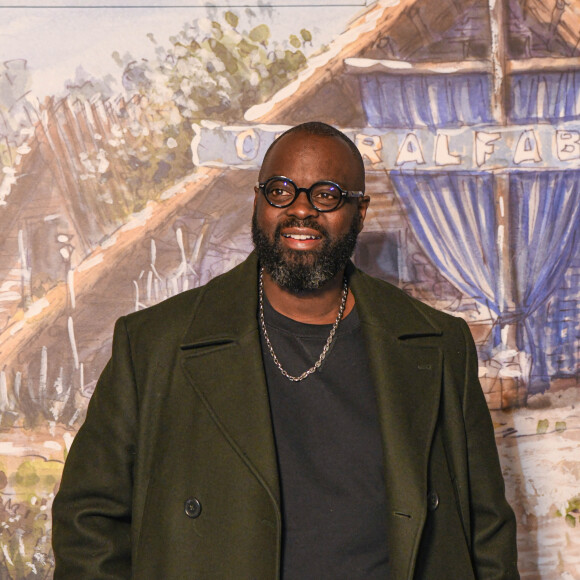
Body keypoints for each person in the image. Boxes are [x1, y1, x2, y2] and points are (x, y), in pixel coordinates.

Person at [52, 121, 519, 579]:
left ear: (360, 212)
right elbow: (88, 522)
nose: (301, 210)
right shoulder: (155, 344)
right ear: (257, 202)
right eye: (280, 190)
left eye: (327, 194)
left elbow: (486, 528)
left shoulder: (438, 344)